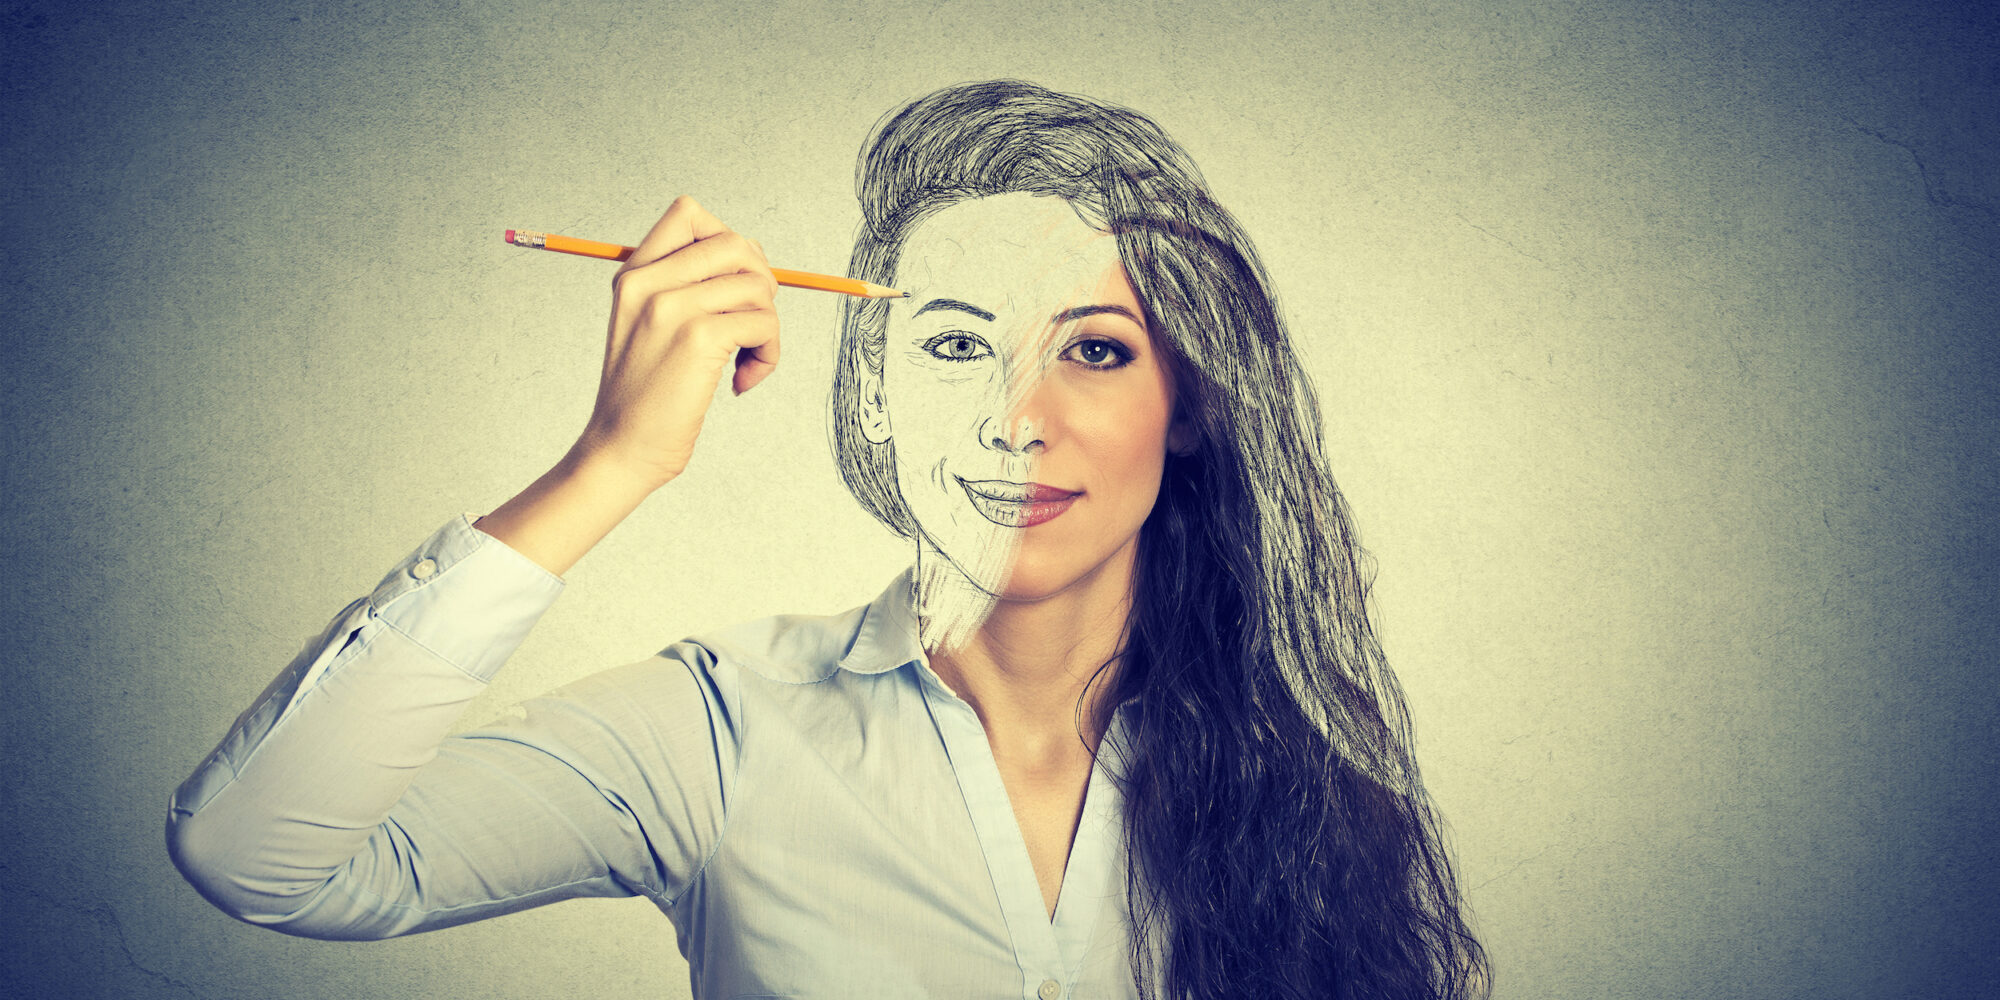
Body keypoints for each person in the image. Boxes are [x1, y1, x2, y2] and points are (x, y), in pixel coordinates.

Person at [167, 80, 1490, 1000]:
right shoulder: (717, 732)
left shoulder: (1307, 793)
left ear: (1186, 402)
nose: (1016, 421)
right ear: (875, 391)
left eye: (1092, 350)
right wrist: (614, 460)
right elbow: (259, 855)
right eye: (958, 344)